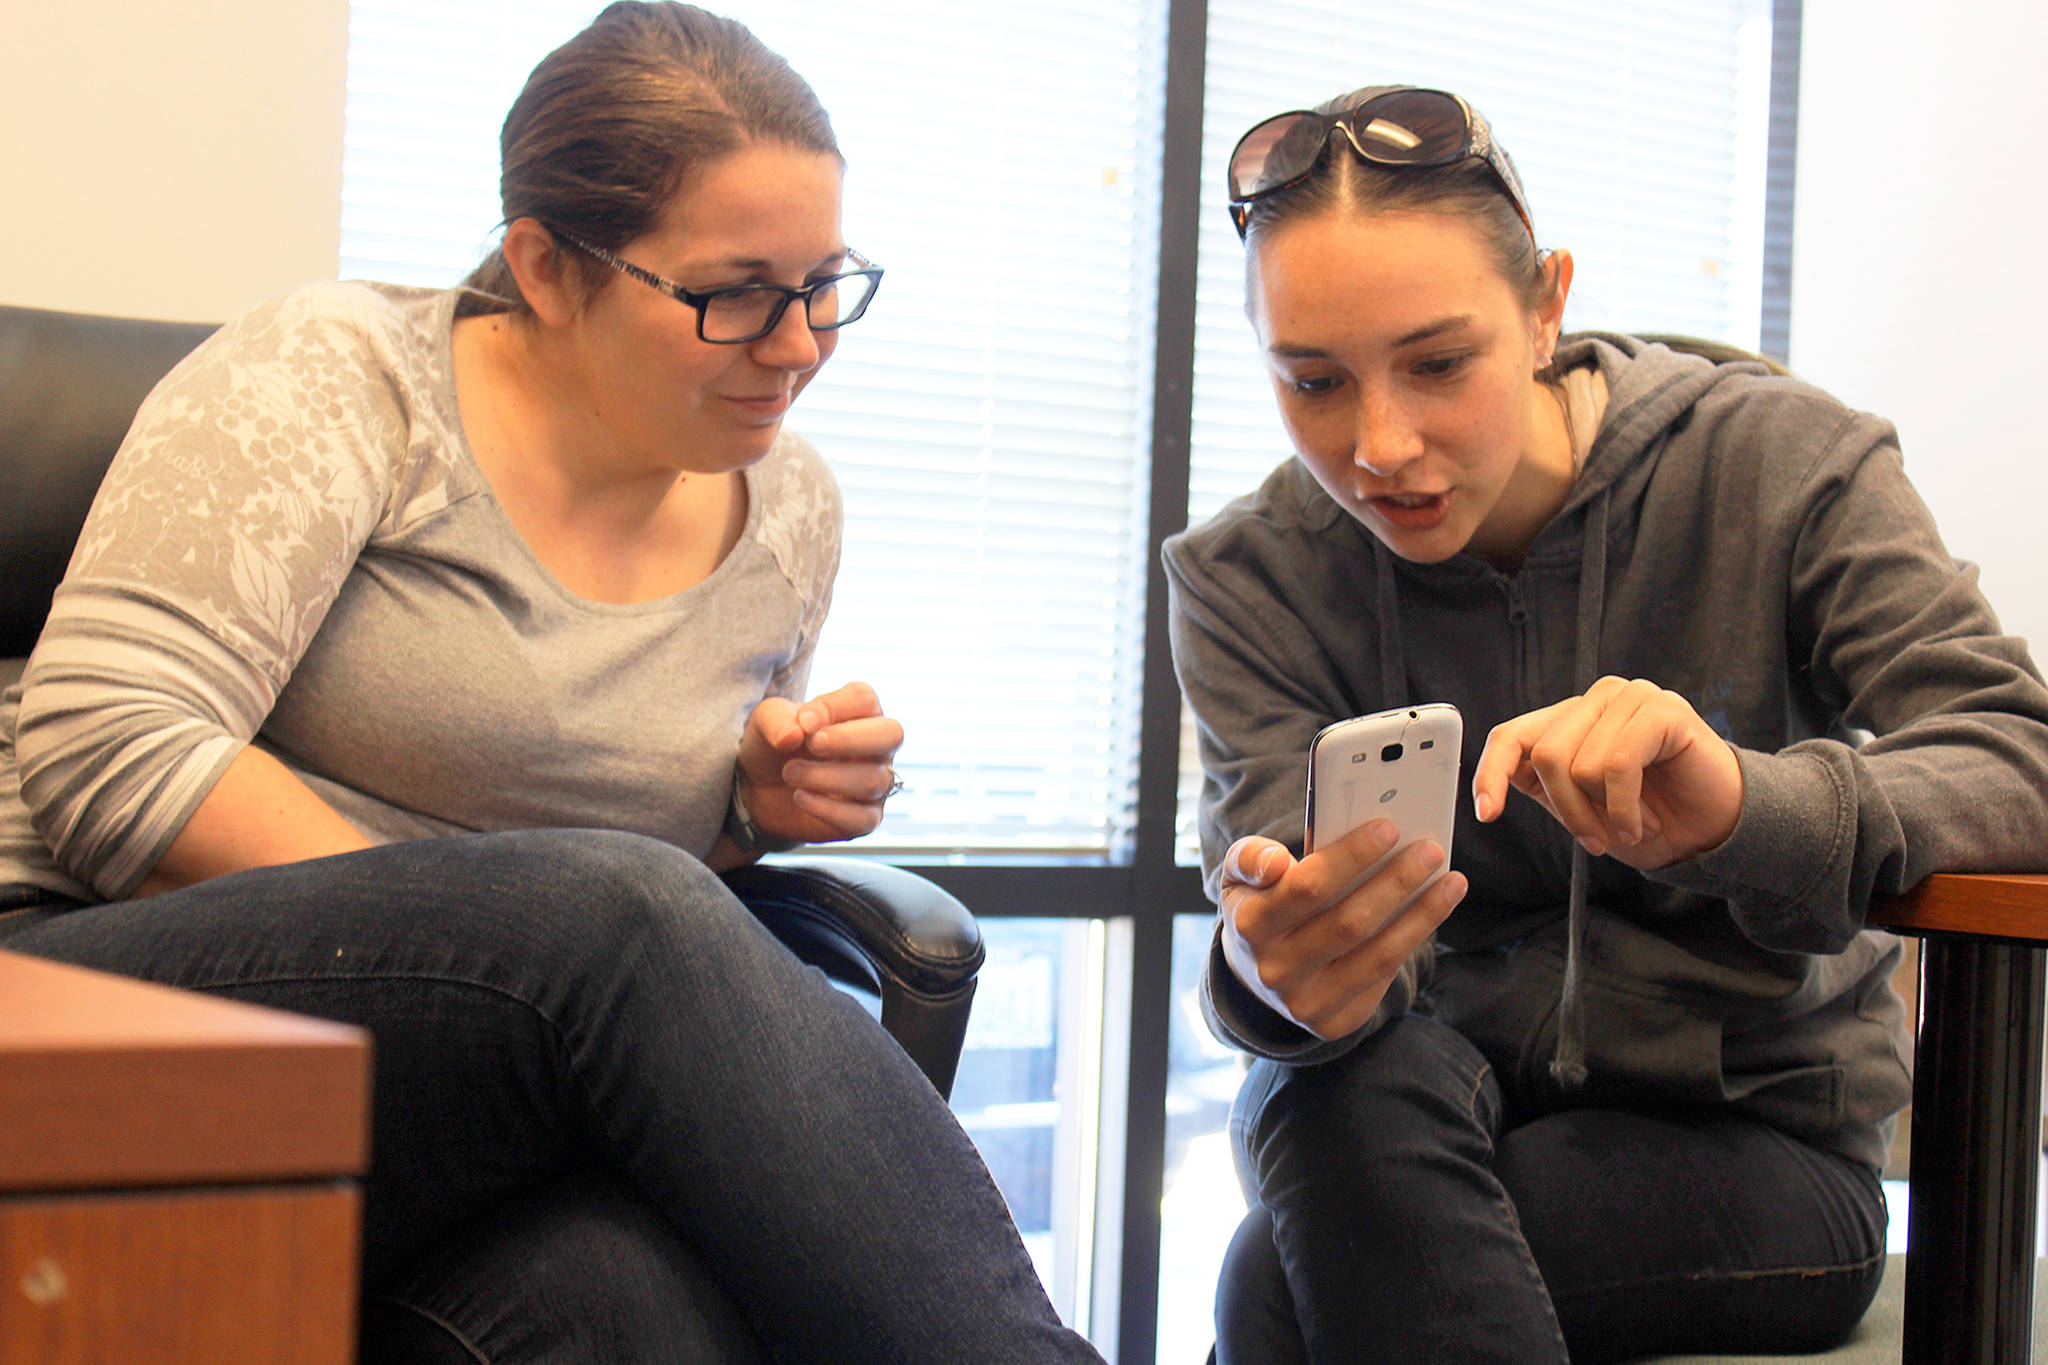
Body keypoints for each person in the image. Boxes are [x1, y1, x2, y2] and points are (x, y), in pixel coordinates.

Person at [0, 5, 1103, 1361]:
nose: (802, 342)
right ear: (544, 266)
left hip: (479, 1066)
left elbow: (645, 893)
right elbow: (104, 741)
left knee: (633, 1307)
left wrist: (746, 813)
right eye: (738, 291)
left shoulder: (791, 502)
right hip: (81, 997)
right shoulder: (345, 379)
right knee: (610, 912)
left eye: (828, 284)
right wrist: (489, 943)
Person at [1164, 84, 2048, 1363]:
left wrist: (1745, 808)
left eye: (1436, 363)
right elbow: (1267, 898)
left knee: (1278, 1282)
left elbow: (2016, 757)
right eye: (1311, 380)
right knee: (1326, 1083)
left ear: (1543, 307)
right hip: (1426, 1098)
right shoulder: (1251, 575)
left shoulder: (1775, 466)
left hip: (1755, 1142)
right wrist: (1276, 973)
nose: (1378, 448)